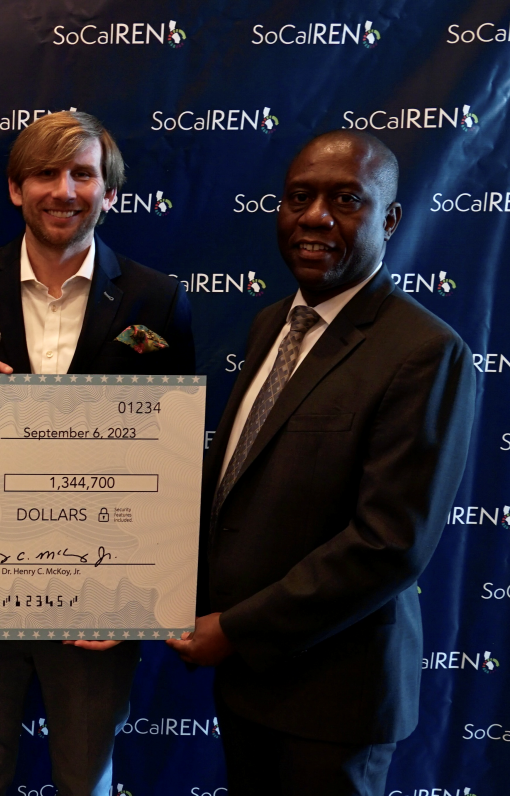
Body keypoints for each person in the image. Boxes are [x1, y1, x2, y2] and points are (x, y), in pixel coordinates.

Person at [167, 130, 476, 795]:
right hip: (251, 685)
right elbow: (240, 490)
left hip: (335, 699)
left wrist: (235, 629)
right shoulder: (272, 323)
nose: (314, 217)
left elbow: (388, 545)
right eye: (299, 197)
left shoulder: (424, 351)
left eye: (345, 200)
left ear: (389, 219)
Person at [0, 111, 195, 796]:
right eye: (45, 173)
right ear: (16, 190)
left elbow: (176, 459)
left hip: (95, 593)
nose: (63, 190)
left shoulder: (156, 300)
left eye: (82, 174)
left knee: (85, 783)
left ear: (110, 193)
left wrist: (134, 598)